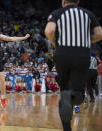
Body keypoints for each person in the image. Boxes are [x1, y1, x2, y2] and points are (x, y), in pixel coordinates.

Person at [45, 0, 102, 130]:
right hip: (81, 55)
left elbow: (49, 31)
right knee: (78, 93)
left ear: (63, 1)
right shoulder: (87, 13)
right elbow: (100, 33)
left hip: (62, 54)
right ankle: (74, 97)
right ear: (78, 1)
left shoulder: (57, 13)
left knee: (65, 91)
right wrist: (87, 40)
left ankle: (67, 127)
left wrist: (56, 43)